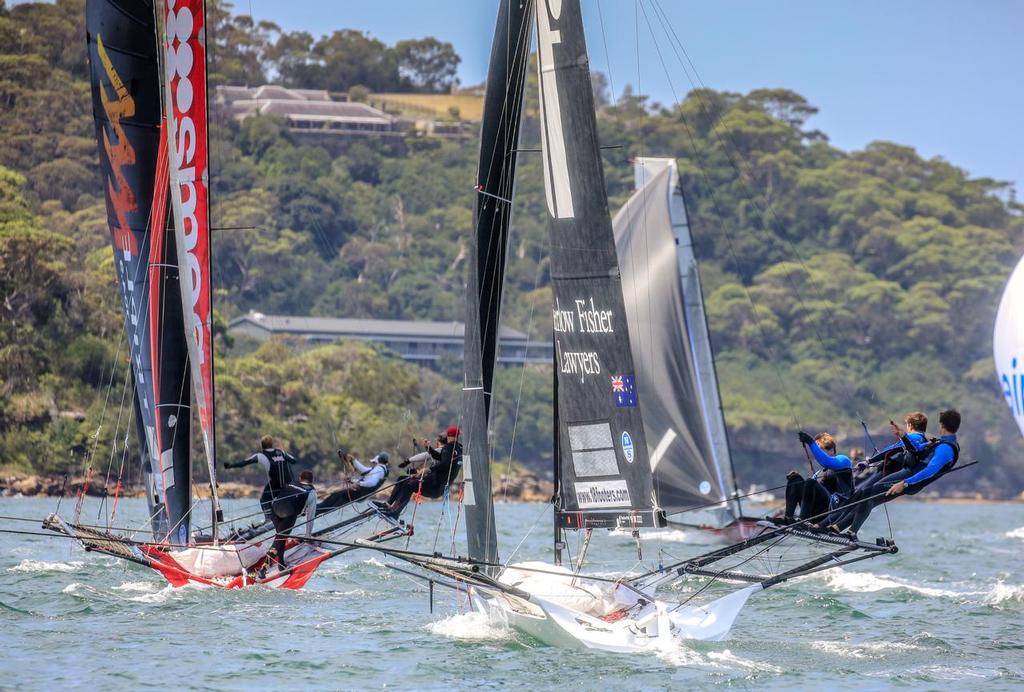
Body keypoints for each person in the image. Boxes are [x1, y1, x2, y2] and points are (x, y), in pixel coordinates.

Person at [830, 409, 961, 539]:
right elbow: (917, 449)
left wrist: (905, 483)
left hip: (908, 478)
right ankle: (839, 528)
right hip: (907, 476)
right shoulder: (942, 443)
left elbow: (930, 471)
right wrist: (905, 437)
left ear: (942, 425)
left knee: (868, 494)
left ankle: (850, 532)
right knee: (870, 498)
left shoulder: (946, 448)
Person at [376, 425, 463, 518]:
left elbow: (444, 463)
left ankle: (395, 512)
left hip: (435, 485)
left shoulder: (448, 448)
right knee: (402, 479)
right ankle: (388, 504)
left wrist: (428, 469)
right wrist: (428, 448)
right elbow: (440, 458)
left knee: (408, 485)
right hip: (438, 487)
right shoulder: (459, 448)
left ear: (448, 435)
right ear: (457, 436)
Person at [774, 432, 853, 526]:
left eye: (819, 450)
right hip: (814, 512)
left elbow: (827, 461)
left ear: (832, 450)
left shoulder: (843, 461)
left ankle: (802, 521)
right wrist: (795, 479)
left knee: (810, 482)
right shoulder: (818, 473)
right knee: (795, 479)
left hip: (830, 511)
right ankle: (788, 518)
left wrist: (810, 441)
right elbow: (807, 492)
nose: (816, 454)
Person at [223, 435, 298, 521]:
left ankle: (269, 519)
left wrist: (229, 465)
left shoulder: (261, 455)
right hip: (289, 484)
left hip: (275, 485)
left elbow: (244, 463)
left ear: (262, 445)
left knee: (264, 499)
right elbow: (294, 461)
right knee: (280, 497)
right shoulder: (282, 452)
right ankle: (291, 510)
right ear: (272, 444)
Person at [855, 412, 929, 493]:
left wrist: (868, 462)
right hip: (900, 473)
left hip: (890, 470)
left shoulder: (913, 437)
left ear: (910, 425)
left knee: (861, 491)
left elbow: (891, 449)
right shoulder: (924, 440)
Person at [268, 470, 317, 569]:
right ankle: (264, 569)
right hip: (288, 515)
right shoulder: (312, 492)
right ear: (312, 481)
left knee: (280, 538)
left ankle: (281, 564)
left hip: (274, 511)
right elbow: (310, 517)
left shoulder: (290, 484)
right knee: (279, 539)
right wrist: (308, 536)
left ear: (300, 478)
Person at [317, 450, 391, 515]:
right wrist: (353, 460)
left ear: (377, 461)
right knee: (338, 499)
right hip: (360, 493)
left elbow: (372, 483)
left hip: (359, 492)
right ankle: (318, 510)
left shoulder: (379, 469)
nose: (372, 464)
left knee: (336, 495)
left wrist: (358, 483)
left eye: (374, 462)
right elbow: (364, 470)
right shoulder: (380, 469)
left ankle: (318, 509)